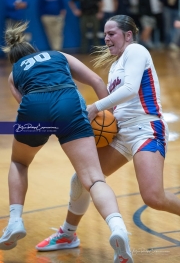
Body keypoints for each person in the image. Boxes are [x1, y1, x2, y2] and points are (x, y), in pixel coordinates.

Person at [36, 14, 180, 256]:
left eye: (111, 33)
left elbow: (130, 89)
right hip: (121, 132)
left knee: (153, 197)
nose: (107, 38)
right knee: (82, 179)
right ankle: (67, 234)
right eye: (105, 34)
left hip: (146, 128)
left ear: (128, 35)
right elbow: (116, 108)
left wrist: (96, 107)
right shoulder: (115, 65)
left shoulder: (136, 50)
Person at [0, 22, 133, 263]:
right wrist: (110, 116)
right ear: (34, 50)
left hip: (35, 107)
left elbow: (24, 105)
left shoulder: (15, 73)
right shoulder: (57, 55)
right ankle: (118, 228)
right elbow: (96, 81)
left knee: (20, 162)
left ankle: (15, 221)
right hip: (69, 101)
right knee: (93, 179)